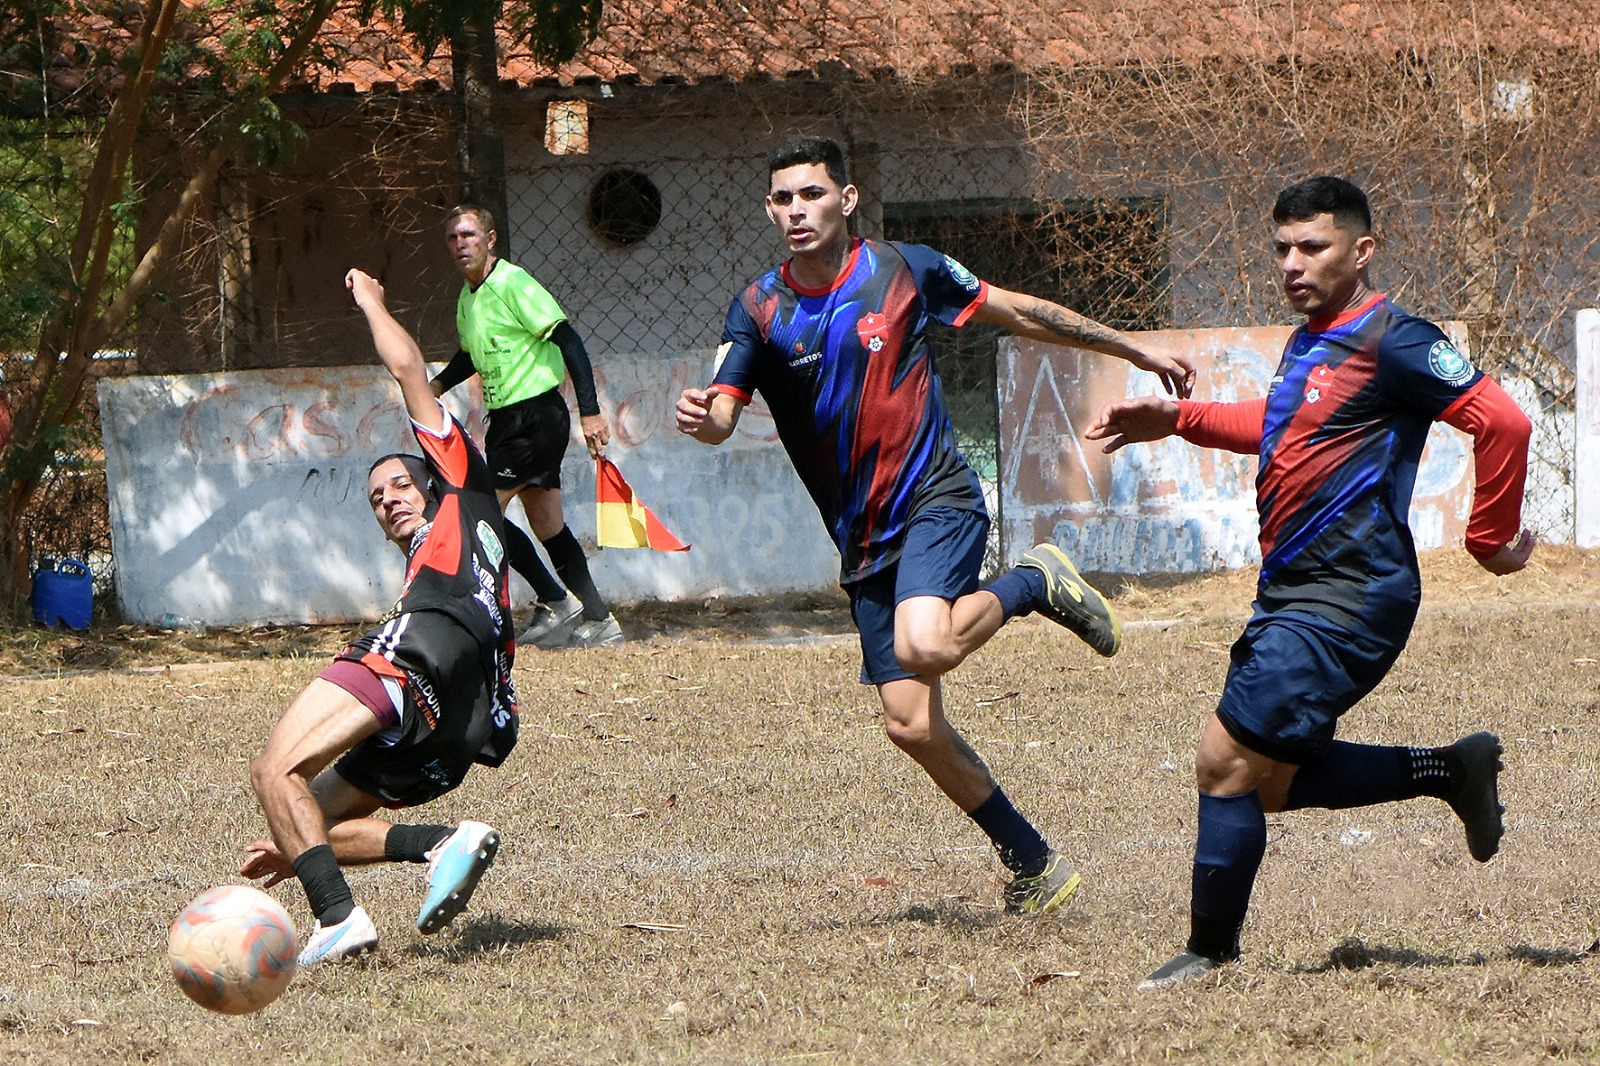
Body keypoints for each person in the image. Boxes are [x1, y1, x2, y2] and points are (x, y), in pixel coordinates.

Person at [676, 135, 1196, 914]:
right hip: (862, 539)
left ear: (846, 200)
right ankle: (1034, 863)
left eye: (812, 194)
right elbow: (722, 413)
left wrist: (1130, 346)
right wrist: (703, 420)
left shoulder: (902, 269)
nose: (796, 211)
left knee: (927, 643)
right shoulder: (759, 308)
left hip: (936, 497)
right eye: (782, 199)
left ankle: (1033, 579)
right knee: (911, 724)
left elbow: (1018, 310)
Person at [1086, 176, 1536, 989]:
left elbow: (1501, 420)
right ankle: (1451, 770)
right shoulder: (1310, 339)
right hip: (1294, 591)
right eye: (1283, 250)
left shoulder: (1395, 340)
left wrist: (1490, 539)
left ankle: (1210, 953)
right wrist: (1178, 420)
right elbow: (1283, 424)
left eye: (1313, 247)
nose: (1293, 264)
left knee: (1223, 762)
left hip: (1351, 595)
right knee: (1271, 781)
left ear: (1362, 252)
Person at [241, 268, 520, 965]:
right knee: (306, 822)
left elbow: (408, 371)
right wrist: (296, 847)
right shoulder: (462, 548)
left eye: (401, 484)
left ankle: (336, 919)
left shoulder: (462, 482)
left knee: (275, 771)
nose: (389, 498)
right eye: (375, 497)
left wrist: (371, 302)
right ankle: (437, 844)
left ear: (434, 481)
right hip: (467, 713)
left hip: (423, 648)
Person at [431, 204, 622, 649]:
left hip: (535, 416)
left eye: (469, 235)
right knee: (547, 523)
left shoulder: (512, 283)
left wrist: (590, 411)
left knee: (478, 510)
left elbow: (568, 339)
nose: (461, 244)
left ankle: (555, 598)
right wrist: (434, 385)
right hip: (507, 422)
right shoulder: (467, 297)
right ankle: (597, 618)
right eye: (453, 238)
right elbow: (469, 356)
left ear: (490, 239)